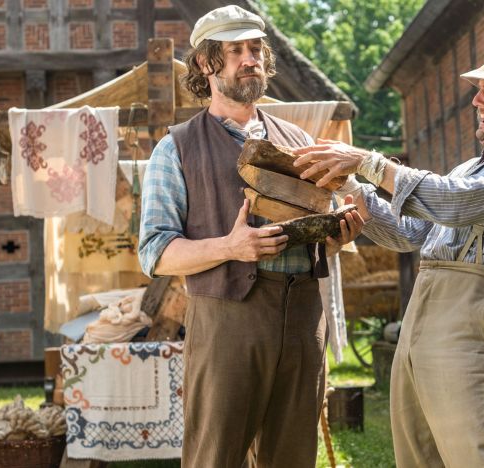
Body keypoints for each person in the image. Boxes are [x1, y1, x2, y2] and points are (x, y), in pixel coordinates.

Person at [294, 40, 484, 467]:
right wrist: (349, 185)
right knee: (418, 459)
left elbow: (452, 203)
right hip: (419, 318)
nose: (476, 99)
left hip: (469, 321)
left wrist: (365, 161)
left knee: (474, 459)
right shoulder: (467, 169)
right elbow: (408, 234)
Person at [137, 5, 363, 467]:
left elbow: (323, 229)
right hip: (227, 324)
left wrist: (339, 232)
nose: (249, 59)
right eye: (235, 50)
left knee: (292, 458)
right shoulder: (175, 147)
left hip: (302, 320)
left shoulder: (299, 141)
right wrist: (229, 247)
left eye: (255, 48)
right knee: (214, 457)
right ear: (205, 62)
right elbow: (155, 253)